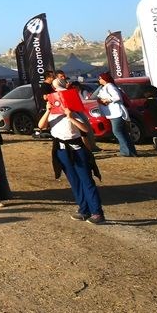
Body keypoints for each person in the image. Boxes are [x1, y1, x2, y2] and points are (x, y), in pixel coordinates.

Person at [38, 78, 105, 222]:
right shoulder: (53, 109)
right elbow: (41, 125)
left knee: (86, 180)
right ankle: (83, 209)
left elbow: (85, 129)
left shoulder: (73, 108)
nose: (57, 92)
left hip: (76, 148)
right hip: (61, 148)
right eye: (55, 90)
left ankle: (97, 212)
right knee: (74, 181)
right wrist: (48, 110)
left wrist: (70, 116)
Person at [95, 72, 137, 157]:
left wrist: (107, 100)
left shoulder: (110, 86)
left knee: (117, 132)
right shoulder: (104, 87)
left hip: (117, 113)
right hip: (112, 113)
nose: (99, 80)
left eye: (100, 78)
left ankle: (126, 152)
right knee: (122, 132)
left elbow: (117, 97)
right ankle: (129, 151)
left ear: (104, 79)